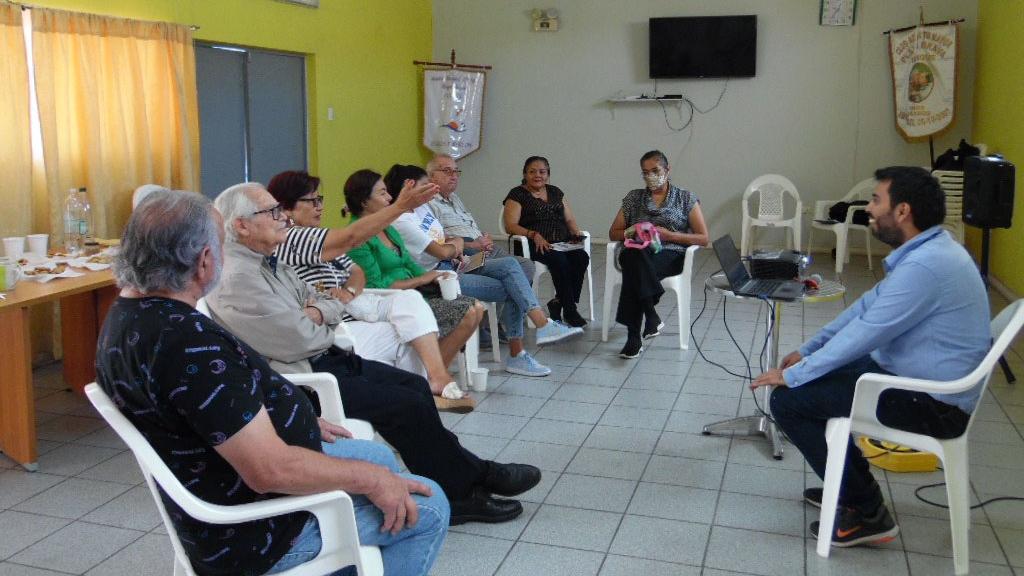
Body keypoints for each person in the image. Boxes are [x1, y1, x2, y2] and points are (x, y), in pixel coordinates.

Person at [97, 189, 448, 576]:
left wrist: (289, 416)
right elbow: (268, 471)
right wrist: (372, 481)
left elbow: (205, 407)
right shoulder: (186, 344)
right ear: (204, 262)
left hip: (230, 470)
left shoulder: (128, 315)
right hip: (254, 531)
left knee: (379, 458)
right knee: (429, 506)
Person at [206, 182, 541, 527]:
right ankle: (465, 491)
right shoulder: (238, 278)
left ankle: (468, 476)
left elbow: (318, 297)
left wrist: (321, 310)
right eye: (272, 212)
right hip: (303, 381)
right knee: (405, 406)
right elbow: (301, 338)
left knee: (413, 386)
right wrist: (324, 310)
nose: (282, 219)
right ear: (241, 225)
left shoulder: (268, 261)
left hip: (326, 355)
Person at [752, 166, 990, 548]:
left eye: (877, 200)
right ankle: (848, 486)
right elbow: (863, 309)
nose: (869, 208)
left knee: (789, 401)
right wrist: (808, 351)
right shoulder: (929, 251)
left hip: (932, 404)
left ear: (902, 212)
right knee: (814, 378)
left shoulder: (926, 266)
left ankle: (866, 511)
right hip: (913, 379)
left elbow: (866, 334)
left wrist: (795, 375)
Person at [267, 170, 481, 413]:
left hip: (354, 308)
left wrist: (347, 291)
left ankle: (432, 383)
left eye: (320, 200)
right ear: (286, 207)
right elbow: (350, 238)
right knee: (409, 336)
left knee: (410, 307)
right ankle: (419, 397)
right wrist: (401, 207)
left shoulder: (319, 239)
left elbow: (356, 271)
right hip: (333, 327)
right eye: (312, 201)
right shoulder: (291, 238)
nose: (319, 207)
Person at [346, 168, 582, 378]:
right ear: (365, 202)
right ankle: (522, 347)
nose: (389, 198)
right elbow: (383, 281)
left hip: (445, 271)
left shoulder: (397, 223)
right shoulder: (388, 226)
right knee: (514, 285)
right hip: (427, 282)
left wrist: (458, 247)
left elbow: (421, 255)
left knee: (513, 267)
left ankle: (537, 328)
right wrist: (434, 271)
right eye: (382, 193)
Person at [608, 150, 709, 358]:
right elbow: (613, 233)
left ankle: (634, 336)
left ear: (667, 169)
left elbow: (703, 238)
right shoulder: (634, 198)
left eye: (656, 171)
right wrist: (632, 230)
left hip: (669, 254)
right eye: (646, 173)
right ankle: (650, 315)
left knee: (633, 272)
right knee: (634, 258)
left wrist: (669, 235)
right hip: (636, 250)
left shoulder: (685, 198)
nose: (651, 176)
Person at [502, 155, 590, 327]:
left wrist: (575, 234)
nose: (537, 175)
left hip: (561, 242)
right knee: (560, 261)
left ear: (548, 174)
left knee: (581, 257)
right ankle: (570, 310)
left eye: (542, 172)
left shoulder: (556, 192)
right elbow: (510, 226)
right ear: (525, 174)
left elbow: (570, 219)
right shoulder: (517, 194)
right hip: (534, 244)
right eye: (532, 171)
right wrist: (533, 234)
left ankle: (558, 302)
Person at [426, 153, 535, 282]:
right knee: (511, 271)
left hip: (485, 248)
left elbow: (466, 226)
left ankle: (515, 300)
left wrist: (483, 236)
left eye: (456, 171)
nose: (454, 176)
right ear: (431, 176)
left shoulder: (454, 198)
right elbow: (437, 242)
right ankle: (525, 301)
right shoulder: (428, 203)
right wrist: (472, 245)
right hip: (465, 254)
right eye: (447, 171)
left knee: (526, 266)